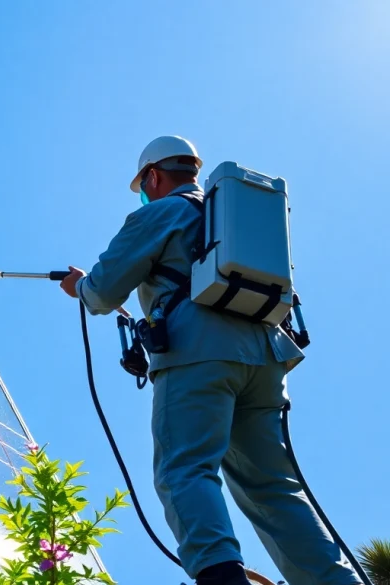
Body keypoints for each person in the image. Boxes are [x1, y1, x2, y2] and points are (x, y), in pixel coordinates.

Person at [58, 136, 362, 585]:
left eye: (144, 186)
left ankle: (222, 579)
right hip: (266, 359)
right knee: (275, 489)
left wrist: (80, 287)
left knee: (185, 468)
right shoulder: (231, 212)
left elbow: (103, 292)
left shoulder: (160, 212)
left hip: (199, 355)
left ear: (153, 177)